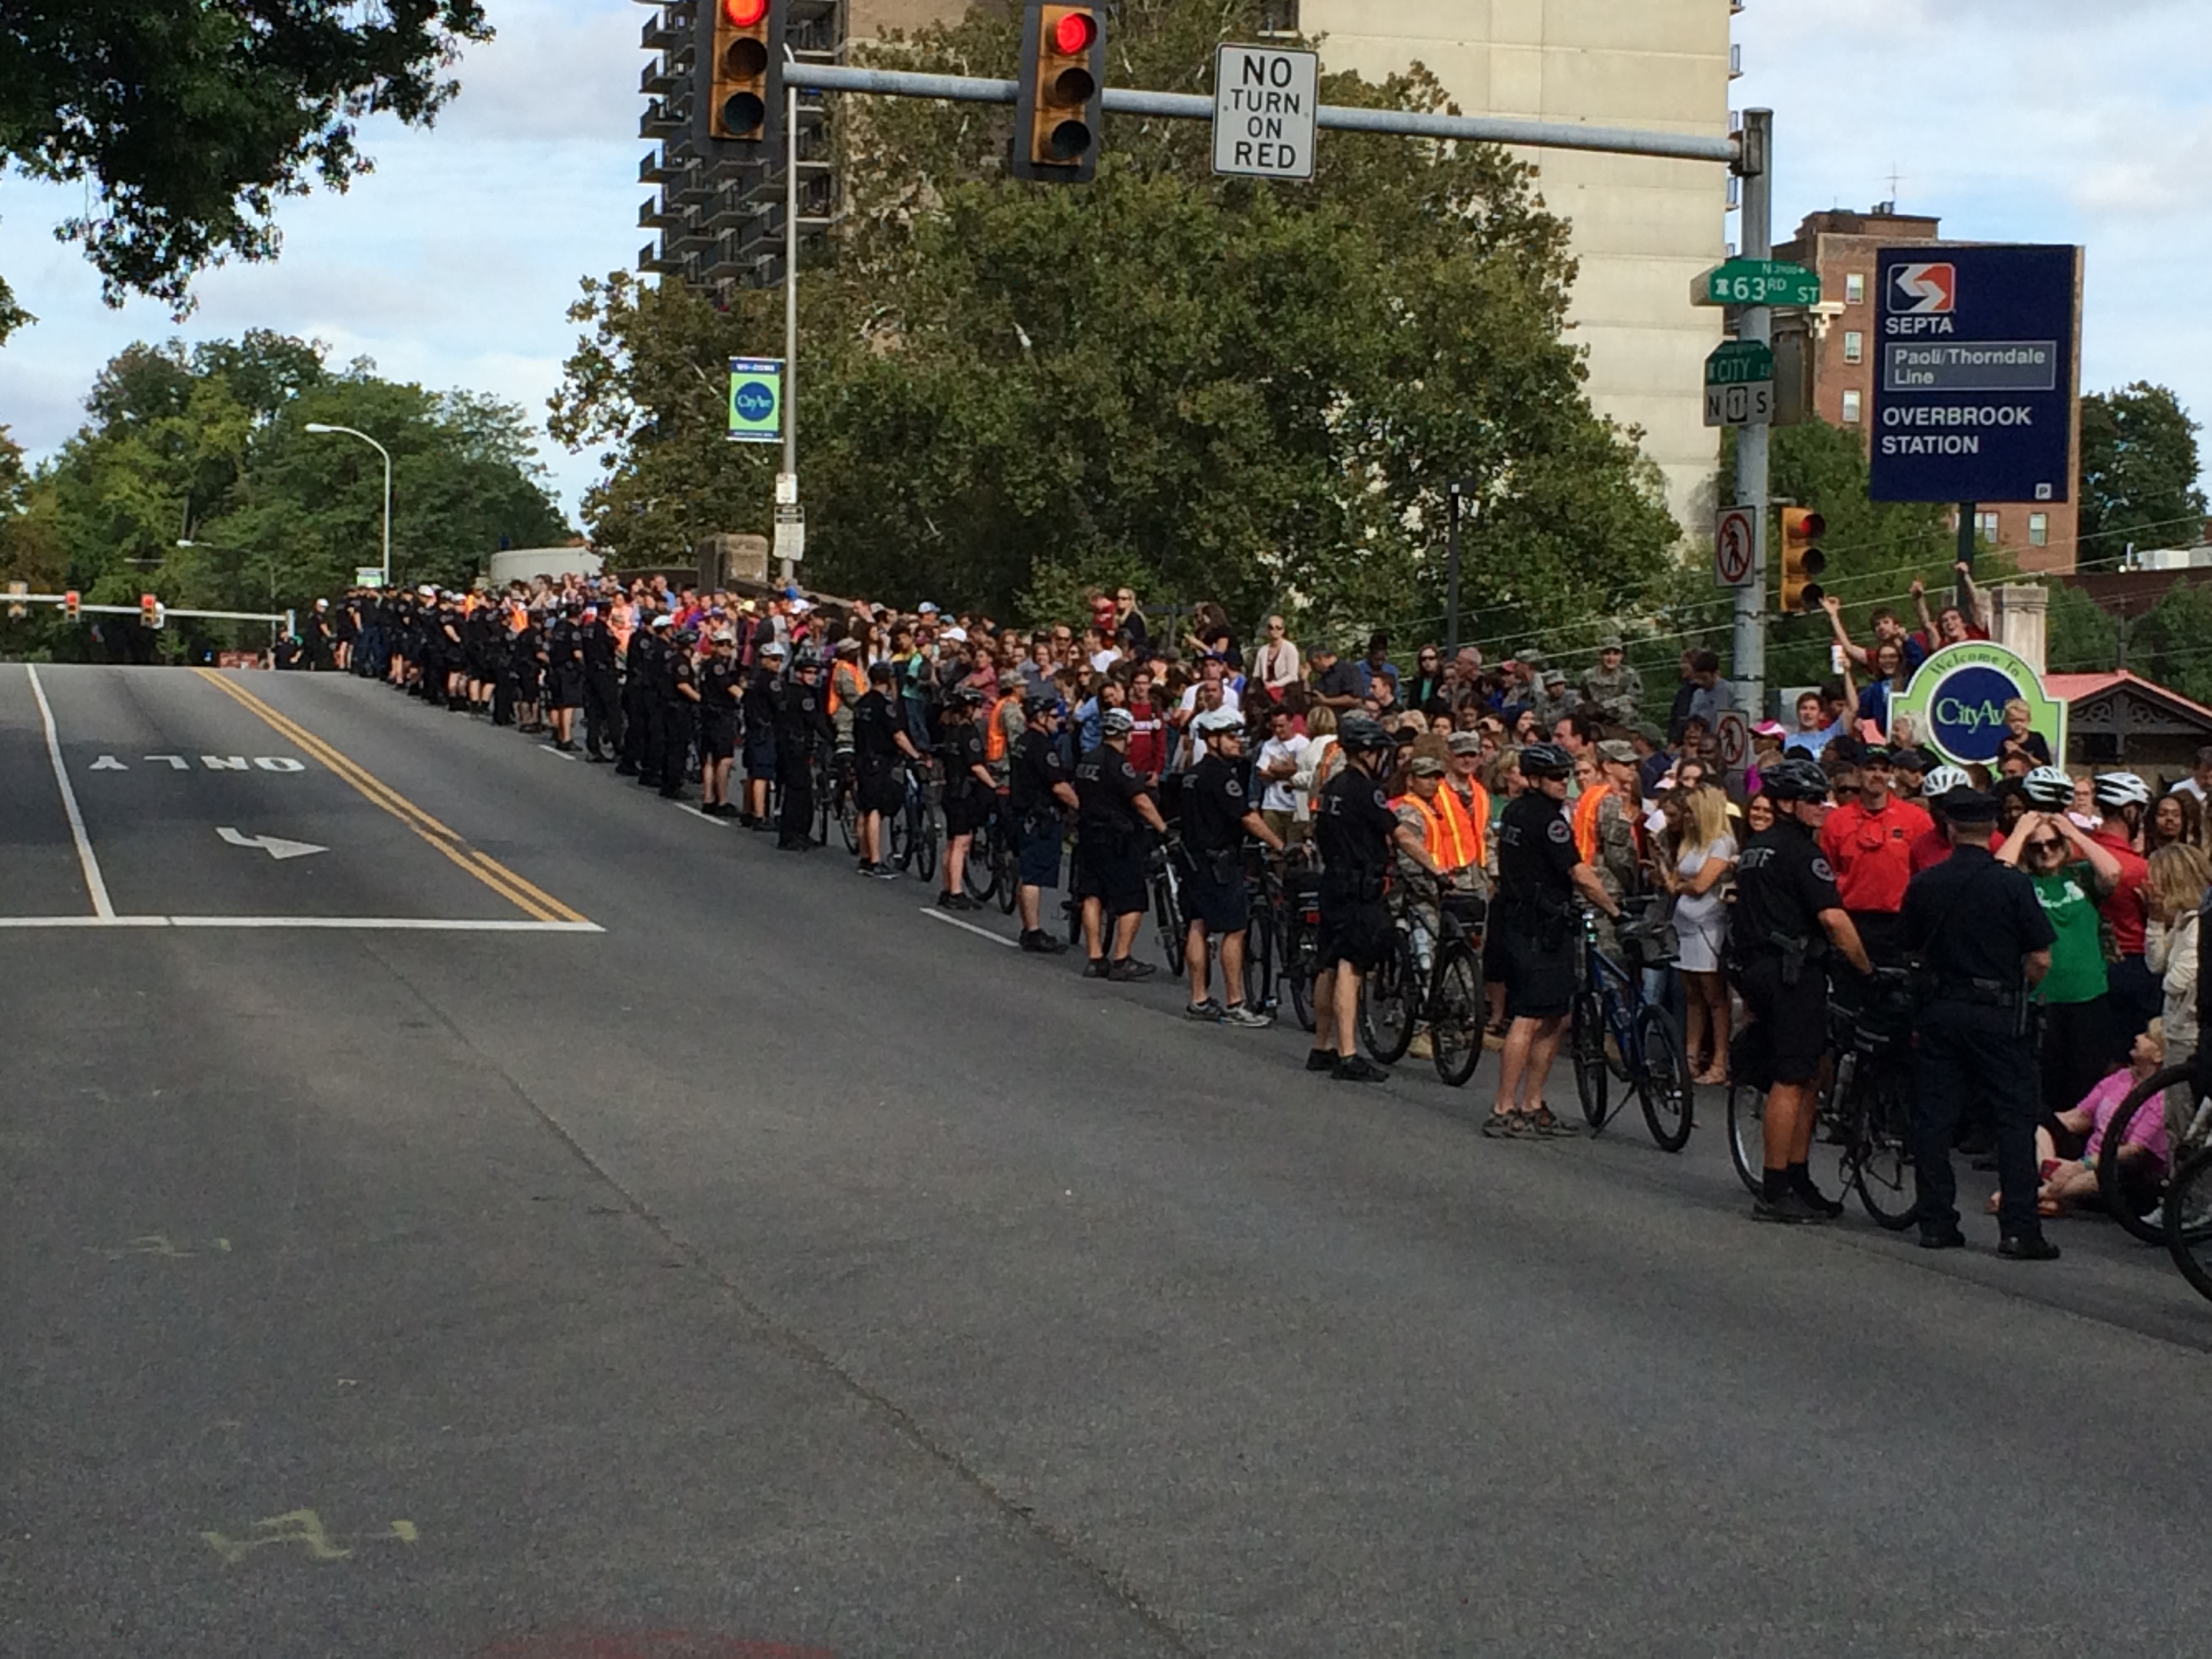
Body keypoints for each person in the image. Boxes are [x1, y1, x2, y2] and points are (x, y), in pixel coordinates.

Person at [1906, 784, 2059, 1256]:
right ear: (1994, 829)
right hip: (1998, 1012)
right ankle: (2018, 1228)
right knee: (2014, 1120)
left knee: (1934, 1118)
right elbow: (2040, 957)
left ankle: (1936, 1220)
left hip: (1940, 1009)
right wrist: (2019, 991)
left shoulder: (1926, 883)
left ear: (1949, 828)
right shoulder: (2012, 885)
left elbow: (1907, 949)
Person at [1732, 758, 1873, 1223]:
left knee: (1810, 1072)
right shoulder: (1801, 852)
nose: (1823, 807)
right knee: (1791, 1079)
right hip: (1791, 972)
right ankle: (1776, 1187)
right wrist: (1866, 969)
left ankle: (1797, 1175)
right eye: (1813, 799)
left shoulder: (1757, 849)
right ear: (1788, 803)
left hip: (1760, 968)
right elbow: (1833, 918)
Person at [1485, 741, 1620, 1136]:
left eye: (1567, 776)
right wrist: (1614, 909)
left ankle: (1532, 1103)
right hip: (1538, 927)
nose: (1565, 783)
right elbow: (1578, 872)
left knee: (1553, 1016)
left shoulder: (1514, 811)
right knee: (1528, 1018)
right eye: (1557, 777)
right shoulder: (1548, 820)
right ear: (1534, 779)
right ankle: (1505, 1106)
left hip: (1523, 920)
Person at [1307, 716, 1439, 1083]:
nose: (1385, 759)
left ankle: (1322, 1046)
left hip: (1333, 881)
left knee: (1329, 963)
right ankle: (1349, 1054)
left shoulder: (1332, 786)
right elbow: (1400, 835)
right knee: (1353, 967)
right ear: (1367, 753)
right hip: (1359, 887)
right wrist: (1434, 868)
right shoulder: (1365, 791)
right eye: (1381, 752)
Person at [1996, 773, 2124, 1125]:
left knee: (2084, 1086)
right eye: (2038, 847)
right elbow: (1996, 874)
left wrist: (2071, 831)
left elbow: (2113, 873)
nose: (2047, 851)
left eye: (2052, 844)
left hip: (2089, 998)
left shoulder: (2080, 875)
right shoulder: (2021, 884)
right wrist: (2023, 832)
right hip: (2042, 1001)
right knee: (2041, 1086)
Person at [1180, 706, 1288, 1025]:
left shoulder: (1191, 775)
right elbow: (1247, 817)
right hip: (1220, 863)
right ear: (1212, 739)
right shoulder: (1220, 776)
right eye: (1229, 736)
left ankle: (1199, 998)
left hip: (1193, 860)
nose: (1237, 742)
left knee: (1198, 924)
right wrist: (1280, 844)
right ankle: (1234, 1002)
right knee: (1235, 930)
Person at [2015, 1025, 2171, 1218]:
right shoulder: (2120, 1077)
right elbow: (2079, 1118)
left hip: (2121, 1171)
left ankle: (2035, 1196)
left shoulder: (2162, 1097)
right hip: (2084, 1162)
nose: (2138, 1036)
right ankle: (2052, 1188)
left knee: (2122, 1168)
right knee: (2038, 1119)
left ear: (2158, 1055)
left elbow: (2133, 1149)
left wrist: (2078, 1167)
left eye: (2147, 1036)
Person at [1074, 707, 1170, 980]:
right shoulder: (1119, 764)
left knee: (1092, 895)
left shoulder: (1087, 760)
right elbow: (1139, 800)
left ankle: (1094, 957)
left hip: (1089, 835)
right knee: (1132, 900)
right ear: (1125, 734)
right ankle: (1121, 958)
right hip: (1118, 839)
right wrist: (1162, 827)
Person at [1816, 745, 1932, 966]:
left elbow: (1928, 874)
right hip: (1852, 921)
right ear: (1858, 772)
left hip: (1901, 923)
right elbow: (1828, 872)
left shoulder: (1916, 819)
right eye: (1870, 768)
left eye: (1883, 769)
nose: (1877, 775)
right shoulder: (1836, 821)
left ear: (1891, 774)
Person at [1663, 783, 1737, 1086]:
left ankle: (1720, 1060)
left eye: (1693, 812)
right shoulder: (1692, 844)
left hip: (1709, 925)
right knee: (1692, 994)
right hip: (1686, 925)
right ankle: (1689, 1058)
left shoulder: (1722, 843)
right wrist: (1679, 883)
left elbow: (1699, 885)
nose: (1688, 817)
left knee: (1714, 995)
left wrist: (1680, 885)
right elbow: (1677, 877)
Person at [2091, 771, 2158, 1049]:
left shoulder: (2075, 851)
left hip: (2085, 964)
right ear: (2131, 811)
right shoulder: (2138, 869)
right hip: (2131, 962)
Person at [1010, 692, 1079, 953]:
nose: (1058, 720)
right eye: (1053, 715)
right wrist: (1082, 807)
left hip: (1024, 813)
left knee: (1028, 872)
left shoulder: (1022, 741)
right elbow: (1059, 786)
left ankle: (1029, 927)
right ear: (1040, 717)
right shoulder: (1041, 746)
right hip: (1039, 817)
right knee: (1034, 875)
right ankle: (1034, 931)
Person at [853, 661, 923, 876]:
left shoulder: (862, 703)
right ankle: (875, 860)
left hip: (862, 757)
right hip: (879, 760)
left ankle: (865, 856)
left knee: (865, 808)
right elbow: (898, 735)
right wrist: (915, 754)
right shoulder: (885, 706)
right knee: (875, 809)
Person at [937, 686, 996, 909]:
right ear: (969, 709)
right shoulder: (969, 733)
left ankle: (947, 887)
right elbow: (976, 765)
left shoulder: (950, 732)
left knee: (952, 841)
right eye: (978, 707)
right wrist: (992, 784)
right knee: (962, 843)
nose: (981, 711)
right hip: (964, 793)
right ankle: (956, 892)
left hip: (950, 790)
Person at [771, 651, 834, 851]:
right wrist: (833, 740)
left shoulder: (786, 690)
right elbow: (815, 721)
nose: (812, 676)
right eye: (808, 672)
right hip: (795, 746)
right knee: (797, 791)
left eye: (815, 673)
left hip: (786, 745)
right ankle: (791, 835)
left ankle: (800, 832)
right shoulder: (803, 695)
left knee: (801, 790)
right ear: (798, 673)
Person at [695, 630, 743, 816]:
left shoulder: (707, 665)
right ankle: (721, 801)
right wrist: (747, 697)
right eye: (721, 644)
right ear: (714, 646)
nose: (725, 648)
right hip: (720, 715)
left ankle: (708, 799)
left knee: (709, 758)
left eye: (728, 645)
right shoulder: (718, 667)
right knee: (724, 759)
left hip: (707, 714)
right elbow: (729, 688)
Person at [739, 640, 785, 830]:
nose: (778, 664)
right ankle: (760, 816)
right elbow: (780, 706)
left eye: (780, 660)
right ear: (764, 660)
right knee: (762, 773)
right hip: (765, 730)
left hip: (752, 729)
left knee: (752, 771)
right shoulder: (771, 682)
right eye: (774, 659)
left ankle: (748, 812)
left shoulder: (752, 679)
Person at [1254, 703, 1310, 846]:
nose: (1278, 731)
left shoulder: (1303, 744)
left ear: (1291, 723)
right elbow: (1262, 772)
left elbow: (1300, 771)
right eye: (1275, 727)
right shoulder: (1269, 745)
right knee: (1273, 848)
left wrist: (1276, 769)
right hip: (1272, 804)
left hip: (1295, 806)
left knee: (1295, 848)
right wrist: (1287, 770)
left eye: (1281, 726)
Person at [1581, 635, 1643, 725]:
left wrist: (1613, 703)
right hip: (1596, 719)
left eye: (1615, 654)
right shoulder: (1588, 676)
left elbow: (1636, 699)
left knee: (1627, 708)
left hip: (1621, 719)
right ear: (1601, 655)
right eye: (1607, 653)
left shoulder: (1629, 675)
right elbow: (1583, 699)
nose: (1611, 658)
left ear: (1621, 656)